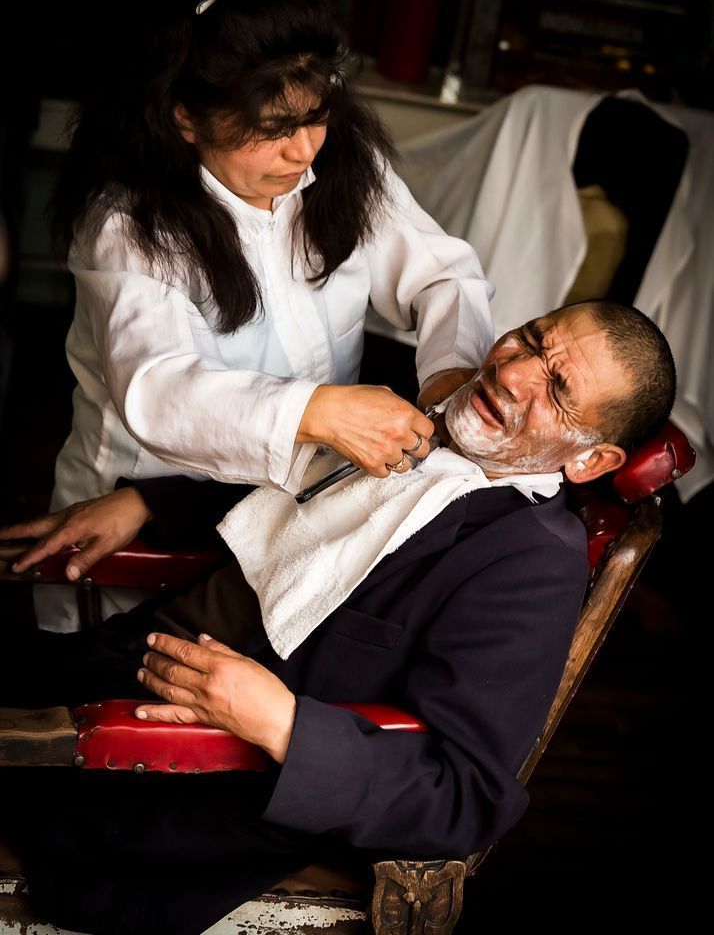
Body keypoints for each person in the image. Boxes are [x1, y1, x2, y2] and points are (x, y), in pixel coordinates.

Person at [0, 301, 676, 935]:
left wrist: (283, 724)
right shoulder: (418, 418)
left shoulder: (530, 562)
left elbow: (463, 795)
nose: (514, 372)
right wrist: (148, 505)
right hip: (120, 654)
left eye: (557, 388)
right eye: (528, 339)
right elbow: (298, 514)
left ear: (592, 459)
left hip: (190, 772)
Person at [35, 0, 493, 632]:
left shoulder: (345, 167)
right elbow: (159, 388)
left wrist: (451, 371)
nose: (302, 150)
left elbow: (442, 276)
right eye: (272, 127)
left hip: (288, 518)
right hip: (139, 527)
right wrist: (317, 411)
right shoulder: (130, 225)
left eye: (315, 116)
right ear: (186, 117)